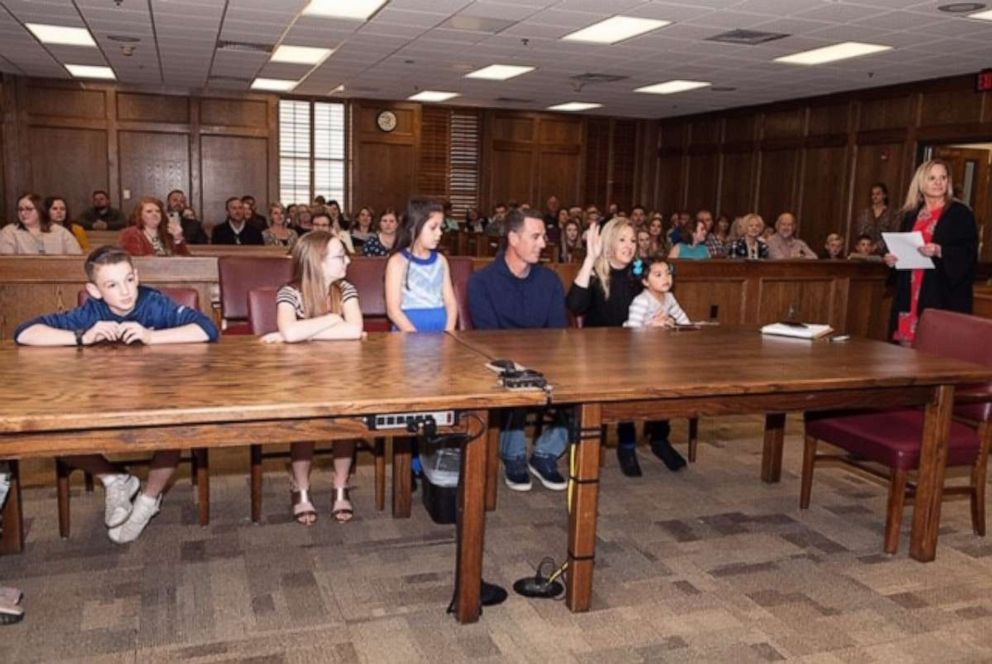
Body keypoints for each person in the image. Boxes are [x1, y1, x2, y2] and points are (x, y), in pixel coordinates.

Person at [15, 246, 218, 542]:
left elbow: (207, 329)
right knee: (55, 431)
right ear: (94, 290)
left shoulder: (154, 303)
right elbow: (24, 332)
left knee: (173, 432)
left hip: (158, 392)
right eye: (112, 285)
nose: (125, 292)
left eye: (128, 280)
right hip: (105, 394)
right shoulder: (91, 311)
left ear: (136, 276)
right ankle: (114, 478)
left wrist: (151, 336)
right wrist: (81, 336)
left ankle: (149, 500)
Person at [567, 219, 686, 477]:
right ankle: (626, 444)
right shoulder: (597, 273)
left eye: (633, 240)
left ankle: (659, 439)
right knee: (628, 378)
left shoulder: (640, 271)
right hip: (600, 353)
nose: (629, 246)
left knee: (661, 373)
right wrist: (590, 259)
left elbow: (663, 302)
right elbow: (575, 305)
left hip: (638, 347)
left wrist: (662, 320)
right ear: (608, 242)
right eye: (622, 239)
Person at [260, 231, 363, 524]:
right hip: (301, 375)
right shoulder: (289, 292)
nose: (348, 260)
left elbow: (354, 330)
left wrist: (304, 331)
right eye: (339, 256)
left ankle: (340, 486)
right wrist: (333, 320)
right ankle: (301, 488)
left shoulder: (346, 290)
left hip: (342, 372)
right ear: (317, 262)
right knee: (305, 428)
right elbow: (292, 334)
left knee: (345, 426)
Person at [468, 208, 569, 491]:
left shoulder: (550, 281)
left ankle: (545, 453)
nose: (542, 243)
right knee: (515, 379)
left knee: (583, 393)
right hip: (502, 364)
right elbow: (489, 338)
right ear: (513, 237)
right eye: (535, 236)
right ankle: (513, 456)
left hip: (546, 360)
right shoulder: (482, 281)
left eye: (544, 237)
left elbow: (558, 333)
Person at [885, 159, 978, 345]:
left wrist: (940, 251)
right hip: (910, 290)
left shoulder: (960, 214)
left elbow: (969, 254)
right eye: (932, 178)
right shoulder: (911, 214)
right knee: (904, 352)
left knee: (935, 349)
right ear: (921, 182)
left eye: (943, 177)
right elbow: (903, 247)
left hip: (941, 292)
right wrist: (893, 259)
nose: (938, 182)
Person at [385, 198, 457, 333]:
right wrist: (414, 335)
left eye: (441, 227)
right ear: (415, 227)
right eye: (433, 228)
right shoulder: (397, 262)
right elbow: (393, 310)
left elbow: (451, 303)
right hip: (408, 333)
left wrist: (449, 331)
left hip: (441, 332)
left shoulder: (441, 261)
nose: (439, 233)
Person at [1, 193, 82, 255]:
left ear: (40, 210)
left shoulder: (61, 232)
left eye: (29, 209)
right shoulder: (9, 232)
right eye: (20, 209)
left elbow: (75, 259)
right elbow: (7, 262)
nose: (23, 213)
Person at [624, 257, 690, 329]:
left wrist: (690, 327)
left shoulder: (669, 297)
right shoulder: (642, 301)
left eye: (668, 273)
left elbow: (681, 317)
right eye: (658, 275)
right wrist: (651, 326)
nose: (665, 278)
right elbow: (632, 329)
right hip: (642, 338)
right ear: (645, 281)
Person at [119, 197, 191, 256]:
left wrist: (178, 238)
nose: (155, 214)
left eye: (158, 211)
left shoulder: (168, 232)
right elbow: (134, 259)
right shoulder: (130, 234)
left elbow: (184, 258)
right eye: (149, 211)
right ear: (139, 215)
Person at [856, 182, 897, 254]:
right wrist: (866, 246)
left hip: (884, 253)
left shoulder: (892, 214)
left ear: (884, 195)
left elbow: (893, 234)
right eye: (873, 194)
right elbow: (860, 232)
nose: (875, 196)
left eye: (878, 194)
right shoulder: (865, 213)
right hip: (865, 253)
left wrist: (878, 246)